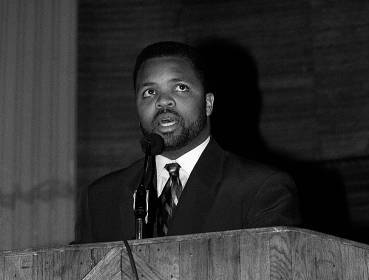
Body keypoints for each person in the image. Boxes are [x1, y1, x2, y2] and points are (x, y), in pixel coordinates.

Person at [77, 41, 300, 243]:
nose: (163, 101)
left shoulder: (259, 189)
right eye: (149, 92)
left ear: (208, 103)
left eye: (180, 88)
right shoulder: (101, 198)